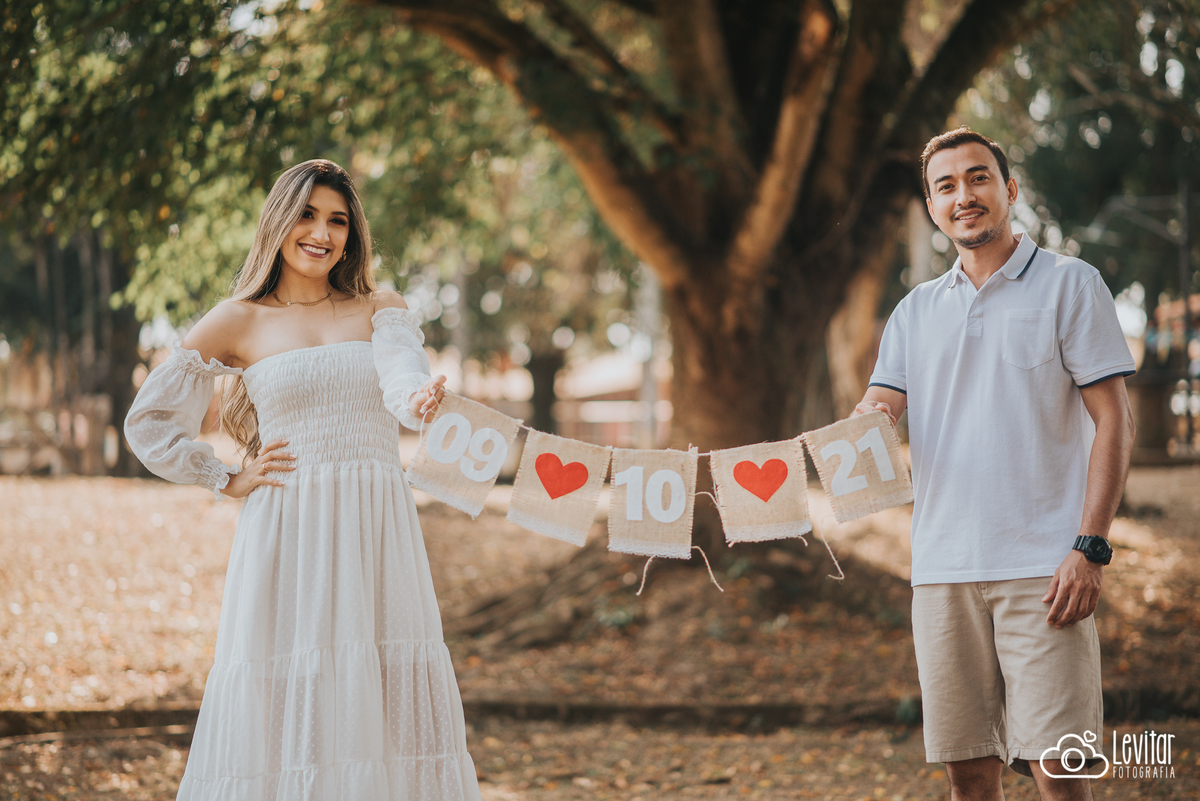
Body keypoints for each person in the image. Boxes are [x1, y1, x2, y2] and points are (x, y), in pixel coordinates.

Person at [124, 159, 476, 801]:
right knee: (287, 690)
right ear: (279, 223)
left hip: (376, 525)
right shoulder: (238, 319)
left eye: (338, 220)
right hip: (288, 525)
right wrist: (223, 476)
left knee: (379, 690)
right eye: (308, 214)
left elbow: (401, 380)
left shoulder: (381, 307)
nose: (322, 231)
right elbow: (148, 422)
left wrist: (421, 398)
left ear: (353, 234)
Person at [855, 128, 1135, 801]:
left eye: (978, 178)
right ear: (931, 206)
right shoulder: (915, 310)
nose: (964, 196)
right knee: (968, 771)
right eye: (946, 186)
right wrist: (866, 420)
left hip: (1046, 568)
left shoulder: (1071, 285)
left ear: (1009, 190)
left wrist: (1089, 546)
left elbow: (1116, 421)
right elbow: (880, 406)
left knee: (1059, 767)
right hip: (943, 572)